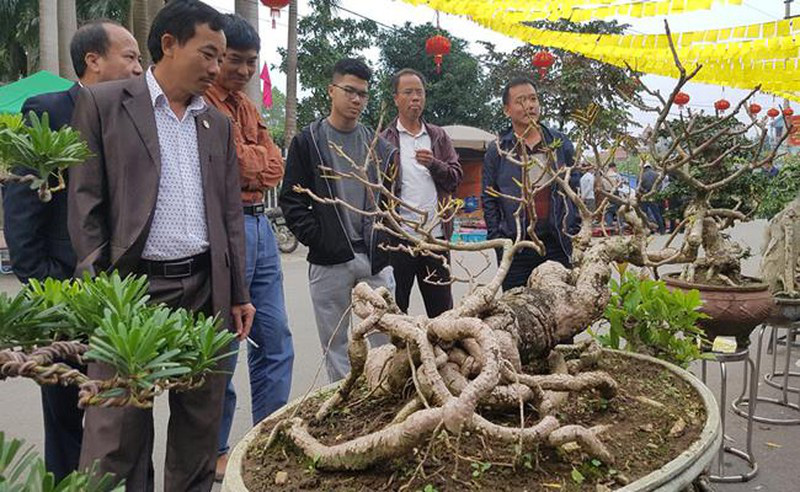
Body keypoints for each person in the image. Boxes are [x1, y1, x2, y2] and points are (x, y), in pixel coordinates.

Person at [68, 2, 255, 489]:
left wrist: (238, 291)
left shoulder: (217, 123)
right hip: (130, 290)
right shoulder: (105, 104)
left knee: (199, 426)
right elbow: (85, 208)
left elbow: (230, 215)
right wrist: (97, 296)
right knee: (116, 433)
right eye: (209, 54)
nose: (217, 69)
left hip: (203, 288)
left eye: (222, 58)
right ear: (169, 43)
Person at [1, 20, 142, 482]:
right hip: (62, 287)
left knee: (123, 404)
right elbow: (23, 211)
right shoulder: (49, 109)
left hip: (119, 289)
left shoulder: (136, 115)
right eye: (131, 56)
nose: (139, 68)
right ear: (93, 61)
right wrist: (48, 283)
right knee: (64, 406)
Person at [203, 13, 294, 481]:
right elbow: (233, 166)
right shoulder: (203, 104)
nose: (240, 70)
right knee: (223, 345)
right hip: (226, 225)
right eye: (232, 60)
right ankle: (216, 449)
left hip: (261, 227)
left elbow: (274, 164)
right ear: (216, 58)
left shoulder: (246, 106)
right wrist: (255, 159)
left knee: (276, 341)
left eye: (249, 62)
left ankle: (267, 438)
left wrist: (254, 158)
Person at [279, 58, 397, 383]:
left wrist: (385, 243)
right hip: (330, 260)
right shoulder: (309, 142)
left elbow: (390, 201)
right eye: (349, 91)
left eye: (363, 94)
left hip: (374, 259)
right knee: (336, 344)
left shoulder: (379, 146)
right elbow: (291, 199)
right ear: (331, 90)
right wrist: (319, 239)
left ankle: (381, 402)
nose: (357, 100)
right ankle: (343, 404)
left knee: (384, 338)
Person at [481, 77, 580, 291]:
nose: (529, 105)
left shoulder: (560, 144)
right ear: (507, 110)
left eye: (533, 99)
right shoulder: (498, 149)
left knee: (562, 308)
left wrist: (574, 230)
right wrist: (498, 241)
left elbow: (575, 190)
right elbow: (489, 197)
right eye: (521, 101)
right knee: (518, 310)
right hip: (516, 246)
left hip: (557, 243)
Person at [380, 68, 462, 318]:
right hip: (398, 239)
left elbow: (455, 178)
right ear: (396, 98)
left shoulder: (437, 136)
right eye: (408, 92)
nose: (415, 98)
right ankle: (399, 356)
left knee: (442, 314)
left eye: (420, 92)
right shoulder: (384, 139)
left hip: (434, 238)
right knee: (396, 310)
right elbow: (376, 190)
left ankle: (442, 357)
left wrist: (434, 164)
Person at [639, 163, 665, 234]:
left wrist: (644, 191)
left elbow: (638, 186)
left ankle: (647, 230)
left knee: (644, 214)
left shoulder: (641, 176)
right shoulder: (656, 174)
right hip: (654, 196)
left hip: (644, 197)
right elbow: (660, 184)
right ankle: (662, 230)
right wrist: (655, 192)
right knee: (657, 213)